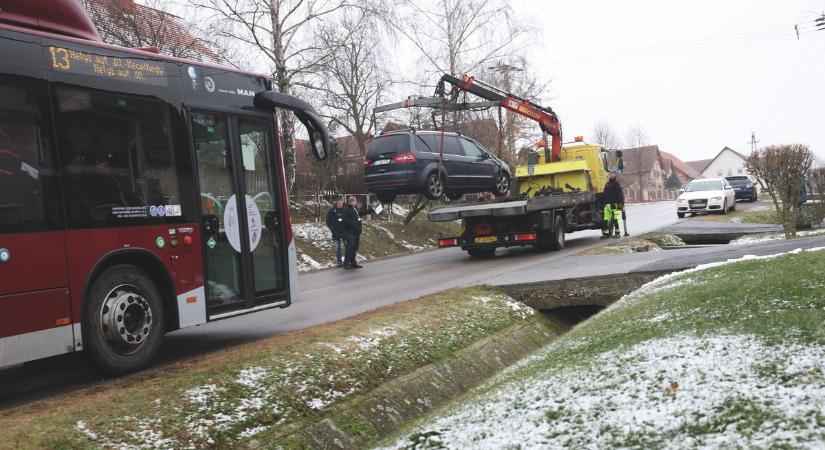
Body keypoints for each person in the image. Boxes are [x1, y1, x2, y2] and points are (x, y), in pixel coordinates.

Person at [341, 195, 373, 269]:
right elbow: (345, 219)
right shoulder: (346, 209)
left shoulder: (355, 208)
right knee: (350, 248)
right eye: (354, 201)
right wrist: (353, 224)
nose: (356, 202)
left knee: (354, 248)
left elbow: (361, 213)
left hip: (356, 232)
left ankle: (353, 263)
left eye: (355, 201)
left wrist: (371, 210)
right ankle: (346, 264)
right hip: (350, 232)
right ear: (351, 202)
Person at [601, 170, 625, 239]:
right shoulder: (607, 184)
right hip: (607, 205)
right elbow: (604, 194)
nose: (611, 175)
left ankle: (617, 233)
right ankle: (606, 234)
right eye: (610, 174)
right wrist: (603, 203)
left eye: (612, 174)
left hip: (614, 204)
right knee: (605, 219)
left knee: (615, 218)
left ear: (615, 175)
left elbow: (620, 194)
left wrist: (621, 204)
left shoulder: (616, 184)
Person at [325, 198, 346, 267]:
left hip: (344, 232)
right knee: (337, 248)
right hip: (335, 232)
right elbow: (328, 221)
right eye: (340, 203)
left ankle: (347, 260)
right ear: (337, 203)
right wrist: (332, 229)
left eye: (342, 203)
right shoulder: (332, 211)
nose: (341, 204)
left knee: (347, 246)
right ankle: (339, 261)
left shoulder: (345, 210)